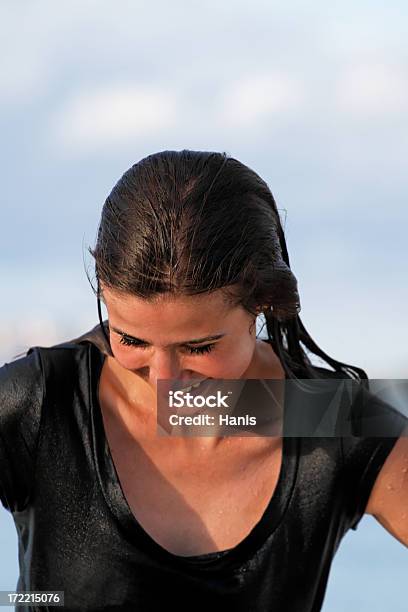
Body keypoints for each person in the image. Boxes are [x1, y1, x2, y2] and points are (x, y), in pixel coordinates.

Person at [0, 150, 407, 612]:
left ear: (264, 306)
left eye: (198, 347)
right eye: (131, 339)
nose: (164, 380)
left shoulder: (331, 418)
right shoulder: (41, 403)